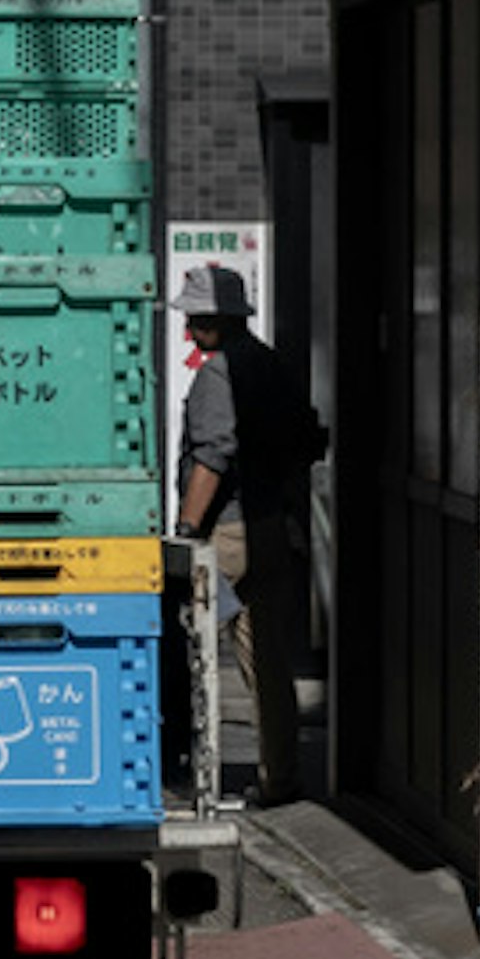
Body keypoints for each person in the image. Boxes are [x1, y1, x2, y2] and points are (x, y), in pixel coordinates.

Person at [171, 263, 326, 803]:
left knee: (185, 652)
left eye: (194, 318)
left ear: (215, 320)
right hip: (270, 524)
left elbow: (211, 457)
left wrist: (187, 530)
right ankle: (279, 778)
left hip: (228, 532)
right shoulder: (271, 365)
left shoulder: (219, 374)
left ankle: (190, 775)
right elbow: (309, 440)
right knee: (269, 660)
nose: (188, 328)